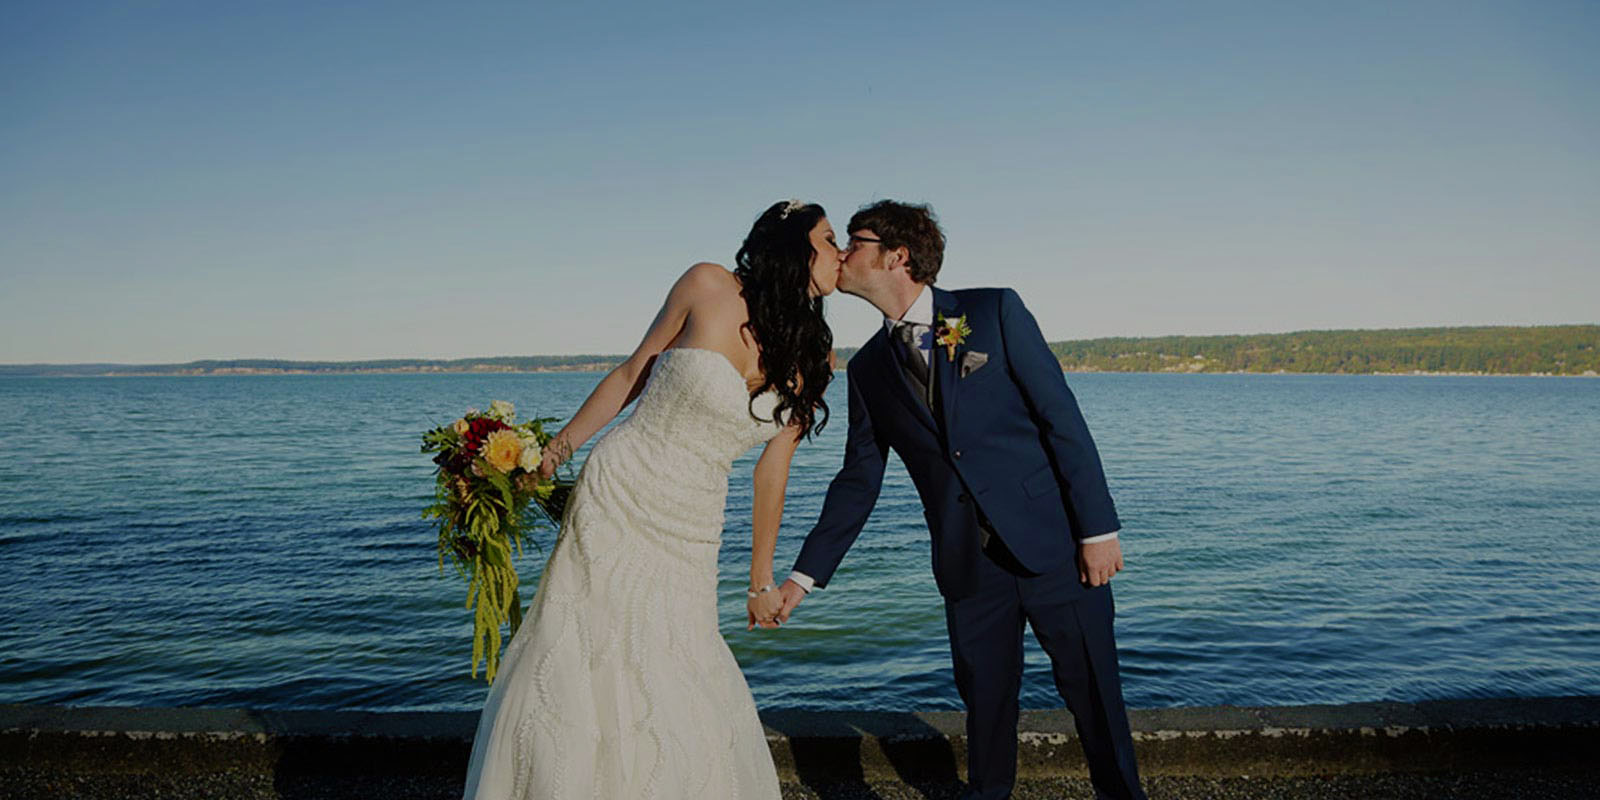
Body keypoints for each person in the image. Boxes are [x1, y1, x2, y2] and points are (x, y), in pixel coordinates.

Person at [460, 200, 840, 800]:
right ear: (793, 245)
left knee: (674, 656)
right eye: (828, 238)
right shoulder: (706, 284)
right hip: (621, 488)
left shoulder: (813, 356)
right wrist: (553, 454)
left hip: (694, 520)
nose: (840, 252)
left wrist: (759, 578)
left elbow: (773, 471)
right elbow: (631, 373)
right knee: (587, 647)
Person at [774, 200, 1147, 800]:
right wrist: (803, 575)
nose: (842, 252)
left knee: (1096, 701)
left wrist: (1097, 530)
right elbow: (858, 480)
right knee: (986, 714)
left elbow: (1061, 419)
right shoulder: (867, 368)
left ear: (897, 256)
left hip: (1056, 551)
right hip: (969, 567)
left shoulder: (993, 310)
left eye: (855, 241)